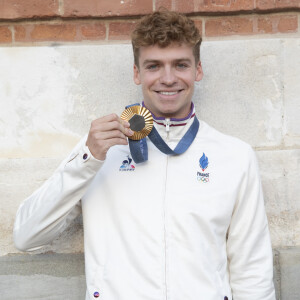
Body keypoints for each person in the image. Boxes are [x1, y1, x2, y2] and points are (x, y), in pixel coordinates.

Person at [13, 9, 276, 300]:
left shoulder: (235, 156)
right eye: (153, 66)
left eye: (180, 65)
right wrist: (86, 161)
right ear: (137, 73)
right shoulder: (101, 151)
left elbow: (253, 269)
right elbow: (27, 236)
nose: (167, 78)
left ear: (197, 70)